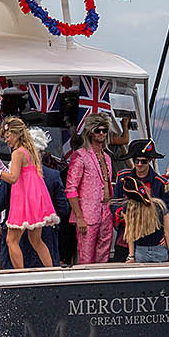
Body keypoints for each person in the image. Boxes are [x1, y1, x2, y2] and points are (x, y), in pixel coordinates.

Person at [0, 116, 57, 269]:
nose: (6, 140)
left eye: (7, 137)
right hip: (35, 198)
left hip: (23, 200)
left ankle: (21, 273)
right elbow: (22, 175)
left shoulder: (17, 153)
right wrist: (2, 168)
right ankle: (52, 271)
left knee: (11, 241)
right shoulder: (30, 150)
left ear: (16, 134)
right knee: (36, 241)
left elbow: (13, 178)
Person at [65, 113, 116, 264]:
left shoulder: (107, 157)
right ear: (90, 132)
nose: (101, 133)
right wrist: (79, 217)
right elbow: (71, 189)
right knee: (86, 258)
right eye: (98, 130)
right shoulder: (80, 156)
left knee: (104, 256)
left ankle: (103, 286)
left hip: (106, 213)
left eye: (104, 130)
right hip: (87, 215)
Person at [113, 139, 169, 261]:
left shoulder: (160, 183)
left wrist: (166, 234)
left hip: (152, 240)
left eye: (143, 161)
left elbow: (168, 212)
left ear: (150, 161)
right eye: (136, 160)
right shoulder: (123, 177)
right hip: (126, 239)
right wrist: (121, 214)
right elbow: (115, 203)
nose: (139, 164)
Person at [119, 175, 169, 263]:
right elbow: (167, 233)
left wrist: (131, 257)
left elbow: (130, 234)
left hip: (141, 252)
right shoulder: (160, 205)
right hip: (160, 250)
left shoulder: (129, 208)